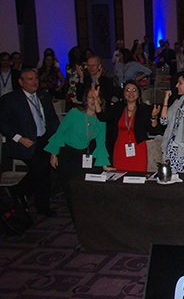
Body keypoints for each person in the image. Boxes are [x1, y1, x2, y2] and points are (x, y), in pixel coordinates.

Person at [0, 69, 60, 216]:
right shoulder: (10, 99)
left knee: (46, 172)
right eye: (30, 79)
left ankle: (42, 206)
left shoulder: (43, 96)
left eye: (35, 79)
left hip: (44, 139)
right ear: (21, 82)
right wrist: (19, 138)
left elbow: (52, 119)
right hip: (24, 142)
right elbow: (3, 123)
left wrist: (56, 139)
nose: (34, 82)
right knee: (41, 168)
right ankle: (20, 190)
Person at [45, 87, 113, 216]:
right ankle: (76, 218)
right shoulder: (74, 113)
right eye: (90, 97)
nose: (93, 100)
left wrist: (104, 165)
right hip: (66, 154)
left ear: (101, 101)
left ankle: (84, 217)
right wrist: (54, 154)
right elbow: (60, 133)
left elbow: (101, 143)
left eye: (96, 97)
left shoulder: (101, 119)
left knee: (83, 189)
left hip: (83, 155)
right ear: (85, 100)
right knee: (70, 190)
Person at [95, 81, 160, 172]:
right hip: (120, 149)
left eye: (134, 90)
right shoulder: (118, 107)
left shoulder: (145, 109)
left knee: (137, 176)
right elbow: (102, 116)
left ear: (138, 93)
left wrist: (153, 117)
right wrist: (96, 101)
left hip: (138, 149)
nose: (131, 93)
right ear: (124, 93)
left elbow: (154, 130)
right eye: (128, 90)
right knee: (119, 175)